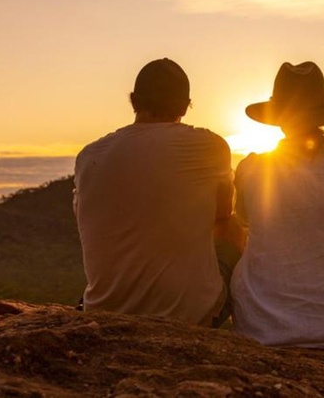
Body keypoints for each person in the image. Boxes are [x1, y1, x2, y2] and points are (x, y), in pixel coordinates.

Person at [73, 58, 242, 327]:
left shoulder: (88, 155)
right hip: (189, 318)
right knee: (234, 227)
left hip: (102, 310)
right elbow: (222, 215)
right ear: (186, 106)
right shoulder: (210, 146)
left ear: (133, 100)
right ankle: (254, 338)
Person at [230, 61, 324, 346]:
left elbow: (244, 220)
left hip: (265, 320)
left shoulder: (251, 169)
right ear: (322, 116)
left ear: (279, 118)